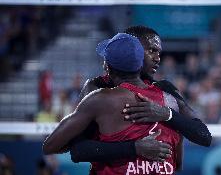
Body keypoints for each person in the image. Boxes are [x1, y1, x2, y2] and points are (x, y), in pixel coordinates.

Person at [68, 26, 212, 164]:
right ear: (132, 48)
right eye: (152, 50)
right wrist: (135, 148)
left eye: (159, 52)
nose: (157, 58)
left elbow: (204, 136)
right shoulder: (97, 87)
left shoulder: (165, 89)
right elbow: (78, 151)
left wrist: (166, 114)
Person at [43, 33, 181, 174]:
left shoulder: (99, 100)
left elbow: (50, 146)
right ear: (141, 64)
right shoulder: (170, 100)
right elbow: (178, 163)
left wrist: (126, 148)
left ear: (107, 67)